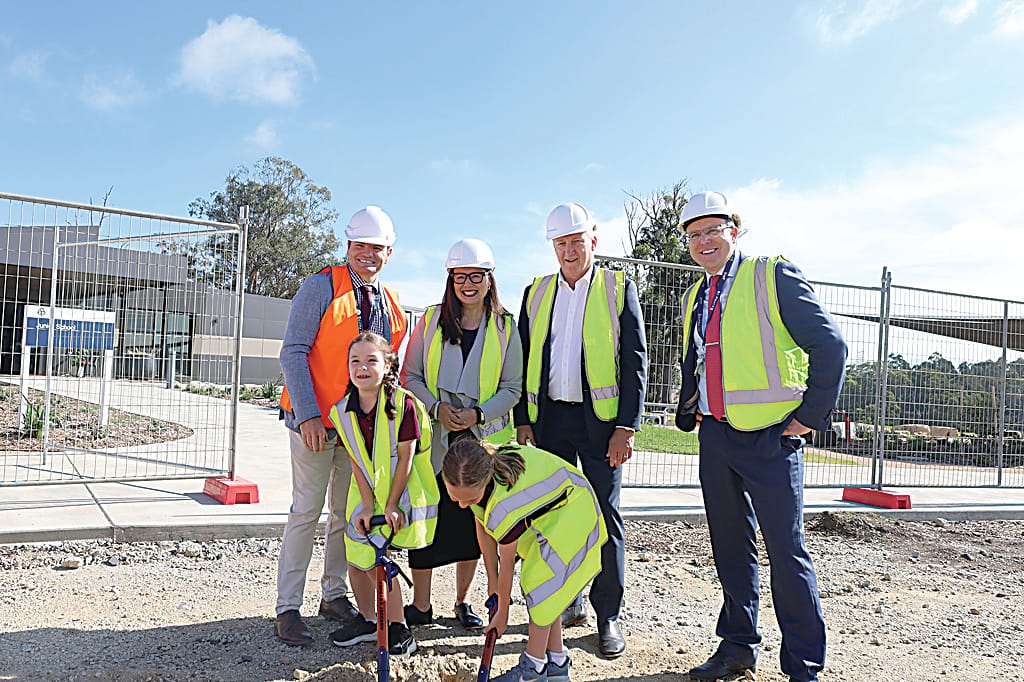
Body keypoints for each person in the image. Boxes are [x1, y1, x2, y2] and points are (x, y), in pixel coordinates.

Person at [674, 191, 847, 682]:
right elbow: (698, 358)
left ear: (734, 230)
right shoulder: (695, 294)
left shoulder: (771, 275)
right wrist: (694, 410)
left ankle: (803, 668)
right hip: (718, 439)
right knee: (730, 549)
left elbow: (830, 344)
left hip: (773, 440)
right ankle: (736, 649)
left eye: (713, 230)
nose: (704, 241)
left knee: (786, 555)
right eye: (694, 234)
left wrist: (809, 417)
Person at [513, 202, 647, 659]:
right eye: (561, 243)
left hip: (601, 424)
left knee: (605, 516)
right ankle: (565, 599)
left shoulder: (617, 287)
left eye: (576, 241)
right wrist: (523, 421)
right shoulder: (535, 293)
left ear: (594, 240)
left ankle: (607, 612)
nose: (569, 250)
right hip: (549, 421)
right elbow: (523, 357)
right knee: (550, 515)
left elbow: (634, 362)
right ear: (553, 246)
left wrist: (626, 427)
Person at [274, 206, 409, 646]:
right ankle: (287, 608)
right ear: (348, 246)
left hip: (359, 432)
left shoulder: (390, 304)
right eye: (361, 246)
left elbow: (386, 367)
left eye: (377, 248)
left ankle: (333, 595)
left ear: (389, 252)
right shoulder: (320, 286)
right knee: (305, 512)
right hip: (313, 423)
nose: (368, 254)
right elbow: (293, 351)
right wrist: (310, 415)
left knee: (343, 515)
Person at [400, 238, 523, 630]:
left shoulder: (505, 326)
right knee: (429, 519)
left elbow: (513, 387)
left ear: (490, 280)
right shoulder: (432, 320)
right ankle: (421, 605)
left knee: (473, 523)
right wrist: (436, 408)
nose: (467, 284)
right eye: (459, 277)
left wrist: (478, 412)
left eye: (476, 276)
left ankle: (462, 601)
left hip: (481, 440)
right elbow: (410, 376)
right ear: (450, 280)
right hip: (436, 438)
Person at [442, 439, 607, 682]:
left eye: (469, 499)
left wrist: (502, 614)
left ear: (485, 481)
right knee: (547, 594)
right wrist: (492, 585)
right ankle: (557, 665)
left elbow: (507, 562)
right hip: (555, 513)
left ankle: (533, 667)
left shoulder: (505, 504)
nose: (463, 504)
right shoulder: (478, 470)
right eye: (456, 499)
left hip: (575, 514)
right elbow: (484, 526)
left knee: (539, 583)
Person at [324, 332, 438, 657]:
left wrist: (388, 505)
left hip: (400, 493)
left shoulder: (404, 405)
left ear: (386, 365)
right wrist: (366, 504)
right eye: (355, 361)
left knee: (379, 563)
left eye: (371, 360)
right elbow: (358, 461)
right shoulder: (343, 410)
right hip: (367, 495)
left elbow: (405, 457)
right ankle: (369, 619)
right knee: (355, 558)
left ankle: (399, 627)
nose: (362, 367)